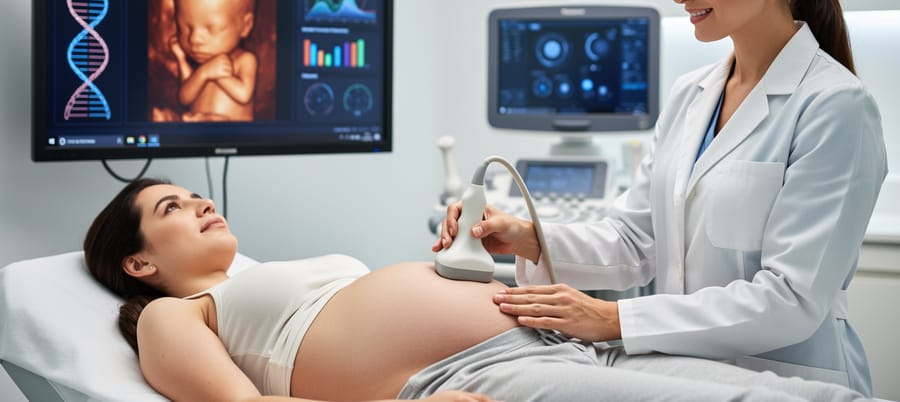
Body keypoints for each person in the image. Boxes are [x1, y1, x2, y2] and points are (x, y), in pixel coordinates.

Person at [437, 0, 887, 398]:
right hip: (683, 376)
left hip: (785, 381)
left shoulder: (834, 106)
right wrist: (526, 235)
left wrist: (612, 317)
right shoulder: (690, 95)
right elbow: (636, 241)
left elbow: (790, 300)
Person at [83, 179, 873, 402]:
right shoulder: (172, 317)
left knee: (790, 389)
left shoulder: (266, 275)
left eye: (193, 192)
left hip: (556, 334)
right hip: (466, 380)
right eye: (170, 208)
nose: (197, 203)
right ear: (139, 263)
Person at [168, 0, 258, 122]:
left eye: (212, 28)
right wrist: (191, 66)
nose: (194, 39)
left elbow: (244, 94)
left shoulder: (245, 60)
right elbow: (185, 98)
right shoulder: (204, 67)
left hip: (235, 136)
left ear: (246, 26)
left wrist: (217, 74)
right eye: (185, 28)